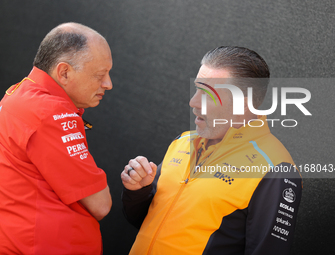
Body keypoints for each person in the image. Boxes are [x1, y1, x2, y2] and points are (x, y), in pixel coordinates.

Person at [121, 46, 302, 255]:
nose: (193, 102)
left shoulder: (276, 170)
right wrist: (138, 191)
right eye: (197, 88)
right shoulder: (183, 142)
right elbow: (147, 223)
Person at [0, 22, 112, 254]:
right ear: (64, 72)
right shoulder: (51, 113)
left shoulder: (17, 93)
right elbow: (101, 205)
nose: (108, 84)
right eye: (100, 75)